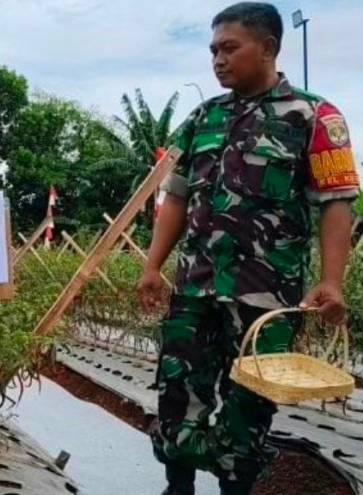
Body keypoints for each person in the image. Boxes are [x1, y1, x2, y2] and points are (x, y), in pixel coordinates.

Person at [137, 3, 359, 494]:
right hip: (193, 287)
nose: (218, 59)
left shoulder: (314, 116)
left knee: (249, 404)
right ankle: (178, 488)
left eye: (229, 48)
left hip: (265, 299)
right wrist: (153, 265)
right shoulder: (203, 118)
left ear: (268, 48)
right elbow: (175, 196)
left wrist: (331, 280)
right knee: (177, 393)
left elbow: (336, 203)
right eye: (213, 50)